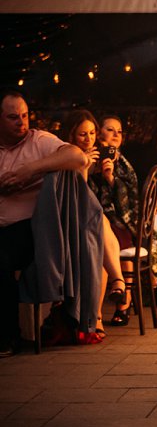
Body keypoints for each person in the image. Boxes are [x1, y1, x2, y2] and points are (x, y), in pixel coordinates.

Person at [0, 91, 87, 355]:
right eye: (13, 117)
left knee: (0, 257)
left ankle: (6, 336)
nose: (21, 122)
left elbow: (78, 157)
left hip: (29, 229)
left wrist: (31, 169)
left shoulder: (38, 141)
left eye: (25, 116)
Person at [61, 110, 129, 337]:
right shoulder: (68, 155)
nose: (88, 139)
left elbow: (125, 201)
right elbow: (76, 198)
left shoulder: (107, 158)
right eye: (83, 134)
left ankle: (96, 319)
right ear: (72, 135)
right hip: (72, 221)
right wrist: (85, 167)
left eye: (91, 133)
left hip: (100, 222)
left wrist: (107, 175)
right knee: (99, 224)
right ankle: (116, 285)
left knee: (98, 241)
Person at [88, 115, 140, 326]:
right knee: (98, 236)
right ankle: (95, 310)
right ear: (99, 134)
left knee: (116, 236)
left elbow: (131, 198)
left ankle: (123, 303)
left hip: (121, 221)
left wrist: (111, 179)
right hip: (93, 218)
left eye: (119, 131)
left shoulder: (123, 163)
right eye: (111, 130)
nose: (116, 134)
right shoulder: (91, 158)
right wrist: (94, 171)